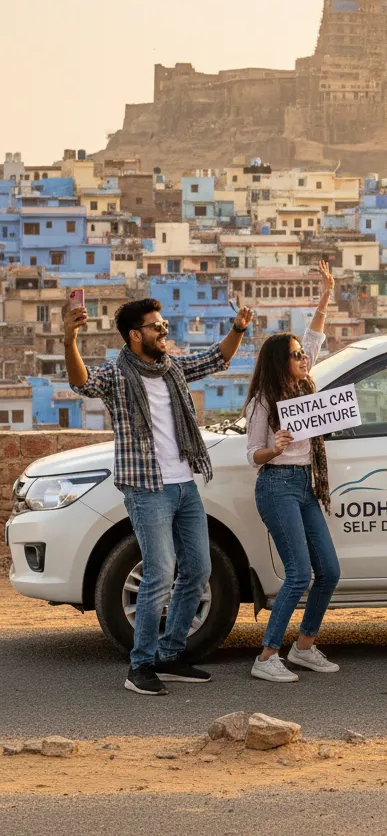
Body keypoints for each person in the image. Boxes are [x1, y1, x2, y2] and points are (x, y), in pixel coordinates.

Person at [65, 294, 254, 695]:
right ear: (136, 336)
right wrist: (69, 341)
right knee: (158, 574)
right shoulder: (118, 376)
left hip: (184, 483)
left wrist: (238, 328)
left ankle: (170, 655)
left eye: (164, 324)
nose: (164, 329)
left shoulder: (172, 369)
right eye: (156, 326)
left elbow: (216, 358)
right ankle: (141, 665)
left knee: (199, 570)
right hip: (146, 487)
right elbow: (81, 383)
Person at [245, 261, 342, 682]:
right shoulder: (263, 403)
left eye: (304, 355)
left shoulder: (303, 388)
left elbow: (315, 336)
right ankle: (267, 656)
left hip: (305, 484)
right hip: (277, 485)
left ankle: (304, 646)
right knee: (299, 572)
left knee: (329, 571)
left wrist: (325, 294)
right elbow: (252, 455)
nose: (305, 358)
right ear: (279, 363)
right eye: (297, 356)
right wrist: (274, 447)